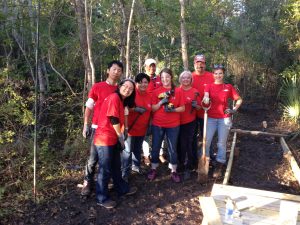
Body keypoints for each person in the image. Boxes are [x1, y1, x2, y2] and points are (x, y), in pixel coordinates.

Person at [81, 60, 123, 196]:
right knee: (93, 158)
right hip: (97, 128)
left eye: (119, 70)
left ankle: (109, 182)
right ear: (108, 70)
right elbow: (89, 106)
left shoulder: (120, 90)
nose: (116, 72)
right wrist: (85, 124)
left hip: (114, 130)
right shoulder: (97, 87)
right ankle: (87, 182)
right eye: (114, 69)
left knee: (112, 158)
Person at [94, 79, 138, 209]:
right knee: (105, 169)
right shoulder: (114, 97)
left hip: (112, 138)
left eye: (131, 88)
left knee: (115, 166)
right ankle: (101, 198)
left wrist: (119, 136)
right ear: (119, 86)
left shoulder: (121, 100)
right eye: (126, 86)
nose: (128, 89)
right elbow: (113, 118)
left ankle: (121, 189)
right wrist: (121, 137)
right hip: (104, 138)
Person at [202, 64, 242, 178]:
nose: (218, 75)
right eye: (216, 73)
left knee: (221, 143)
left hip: (224, 118)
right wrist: (205, 99)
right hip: (210, 118)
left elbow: (238, 99)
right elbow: (205, 97)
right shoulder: (208, 86)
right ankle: (205, 161)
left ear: (223, 74)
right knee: (207, 141)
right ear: (213, 74)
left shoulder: (228, 87)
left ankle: (219, 164)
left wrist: (234, 110)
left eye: (220, 73)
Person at [148, 68, 185, 183]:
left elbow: (183, 108)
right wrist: (161, 102)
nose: (165, 79)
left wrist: (173, 110)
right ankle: (153, 169)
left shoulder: (178, 91)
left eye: (167, 77)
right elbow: (153, 108)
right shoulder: (156, 91)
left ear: (171, 77)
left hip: (173, 125)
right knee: (155, 147)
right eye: (162, 77)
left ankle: (174, 170)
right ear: (160, 78)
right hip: (158, 124)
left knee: (172, 148)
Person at [121, 73, 152, 181]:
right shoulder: (131, 94)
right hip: (129, 129)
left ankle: (136, 167)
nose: (143, 84)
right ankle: (124, 172)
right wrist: (135, 109)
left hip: (142, 129)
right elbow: (123, 108)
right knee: (127, 151)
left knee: (137, 150)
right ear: (136, 83)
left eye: (145, 82)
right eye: (140, 82)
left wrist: (149, 124)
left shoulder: (149, 95)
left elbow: (150, 111)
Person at [191, 54, 214, 165]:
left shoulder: (211, 76)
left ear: (205, 64)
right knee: (192, 137)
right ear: (194, 64)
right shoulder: (189, 77)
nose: (200, 65)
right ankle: (194, 159)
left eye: (202, 63)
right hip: (192, 114)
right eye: (197, 63)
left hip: (207, 113)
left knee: (207, 137)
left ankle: (208, 157)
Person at [142, 58, 166, 165]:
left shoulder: (160, 79)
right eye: (149, 66)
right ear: (145, 67)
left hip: (159, 109)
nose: (152, 68)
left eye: (153, 66)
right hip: (146, 109)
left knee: (160, 132)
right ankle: (146, 155)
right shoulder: (142, 78)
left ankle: (160, 153)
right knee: (146, 133)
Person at [177, 71, 200, 179]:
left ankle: (188, 166)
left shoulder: (195, 91)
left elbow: (200, 107)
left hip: (190, 122)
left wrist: (196, 106)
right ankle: (180, 163)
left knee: (188, 143)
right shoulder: (176, 90)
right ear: (180, 79)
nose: (186, 80)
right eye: (183, 78)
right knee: (179, 144)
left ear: (191, 80)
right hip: (177, 122)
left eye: (188, 78)